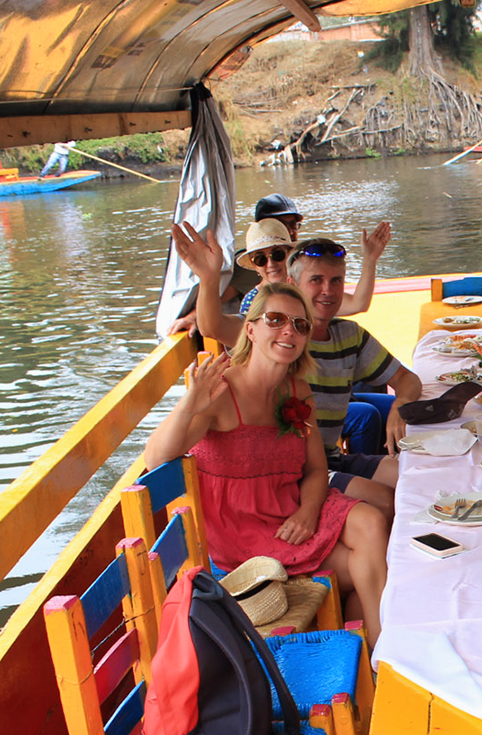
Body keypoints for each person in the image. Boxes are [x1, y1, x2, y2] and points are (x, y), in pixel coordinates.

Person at [143, 283, 388, 644]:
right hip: (241, 534)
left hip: (288, 512)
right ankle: (371, 649)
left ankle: (378, 646)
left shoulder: (297, 390)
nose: (289, 330)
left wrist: (307, 511)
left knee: (373, 521)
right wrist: (189, 404)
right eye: (275, 319)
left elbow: (317, 470)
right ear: (251, 329)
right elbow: (155, 459)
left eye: (300, 325)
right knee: (366, 566)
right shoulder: (223, 390)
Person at [175, 224, 417, 520]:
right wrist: (208, 280)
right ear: (293, 282)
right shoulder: (273, 336)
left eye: (336, 281)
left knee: (414, 477)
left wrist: (401, 405)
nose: (328, 290)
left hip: (330, 458)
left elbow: (407, 379)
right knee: (384, 501)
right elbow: (213, 326)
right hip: (290, 473)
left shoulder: (349, 335)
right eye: (316, 280)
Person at [170, 193, 307, 336]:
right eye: (260, 259)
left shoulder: (306, 277)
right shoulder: (252, 299)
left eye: (278, 254)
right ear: (254, 265)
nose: (270, 263)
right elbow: (215, 325)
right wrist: (207, 278)